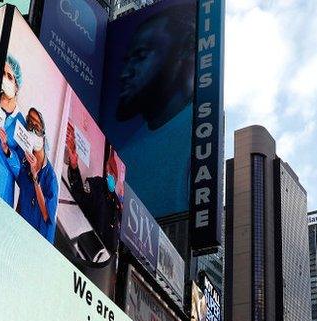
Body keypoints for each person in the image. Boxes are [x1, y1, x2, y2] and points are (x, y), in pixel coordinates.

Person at [111, 4, 195, 210]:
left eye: (140, 56)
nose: (124, 74)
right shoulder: (125, 154)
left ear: (182, 53)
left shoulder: (199, 139)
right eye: (127, 61)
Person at [64, 122, 123, 253]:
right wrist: (74, 167)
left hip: (108, 260)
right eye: (108, 172)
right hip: (89, 249)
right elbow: (79, 194)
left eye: (113, 173)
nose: (110, 175)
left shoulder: (117, 206)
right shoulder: (96, 184)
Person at [15, 108, 58, 243]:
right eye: (30, 124)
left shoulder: (50, 176)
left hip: (40, 238)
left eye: (37, 126)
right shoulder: (25, 164)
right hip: (21, 232)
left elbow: (46, 215)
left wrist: (35, 177)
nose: (33, 129)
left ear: (43, 138)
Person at [0, 54, 26, 206]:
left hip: (1, 188)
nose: (4, 79)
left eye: (9, 76)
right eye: (3, 74)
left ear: (16, 85)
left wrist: (7, 151)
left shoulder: (21, 124)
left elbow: (20, 172)